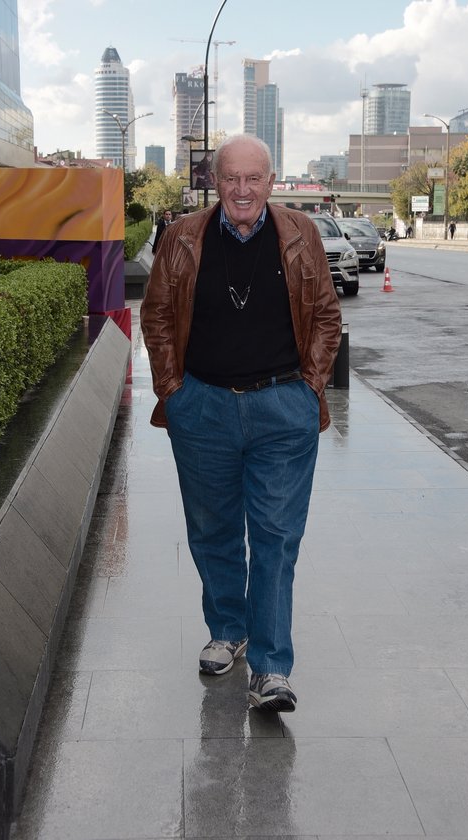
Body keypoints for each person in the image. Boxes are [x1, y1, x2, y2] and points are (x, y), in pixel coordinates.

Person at [141, 135, 341, 713]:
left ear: (271, 182)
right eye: (232, 177)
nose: (243, 189)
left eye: (254, 178)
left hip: (282, 407)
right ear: (216, 181)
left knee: (276, 537)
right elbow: (157, 316)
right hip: (202, 407)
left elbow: (326, 316)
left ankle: (272, 668)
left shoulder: (300, 234)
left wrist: (308, 388)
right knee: (213, 530)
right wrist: (173, 392)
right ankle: (228, 629)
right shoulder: (183, 236)